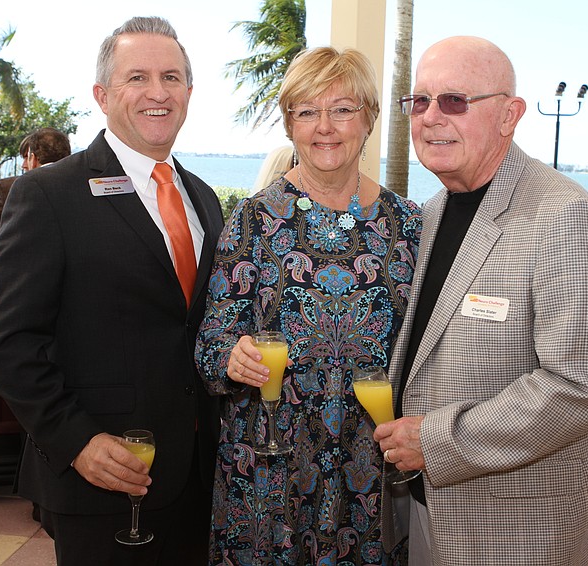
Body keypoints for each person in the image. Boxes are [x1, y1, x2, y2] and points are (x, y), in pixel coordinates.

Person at [372, 36, 588, 565]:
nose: (430, 117)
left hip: (519, 519)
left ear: (510, 114)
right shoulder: (432, 211)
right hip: (432, 506)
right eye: (419, 101)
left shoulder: (565, 217)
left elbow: (587, 384)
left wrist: (439, 442)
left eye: (453, 101)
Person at [0, 17, 223, 565]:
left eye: (172, 77)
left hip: (197, 476)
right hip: (104, 472)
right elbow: (10, 343)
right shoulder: (48, 194)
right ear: (102, 94)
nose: (157, 93)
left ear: (189, 92)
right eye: (137, 77)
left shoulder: (203, 199)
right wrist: (77, 443)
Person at [195, 46, 422, 564]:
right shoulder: (253, 222)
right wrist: (232, 358)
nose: (325, 126)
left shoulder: (408, 225)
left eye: (342, 109)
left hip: (372, 466)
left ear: (369, 119)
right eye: (307, 111)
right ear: (288, 124)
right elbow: (210, 347)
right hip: (271, 467)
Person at [0, 127, 71, 246]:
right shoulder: (84, 187)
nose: (23, 165)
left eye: (26, 157)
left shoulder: (9, 189)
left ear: (33, 159)